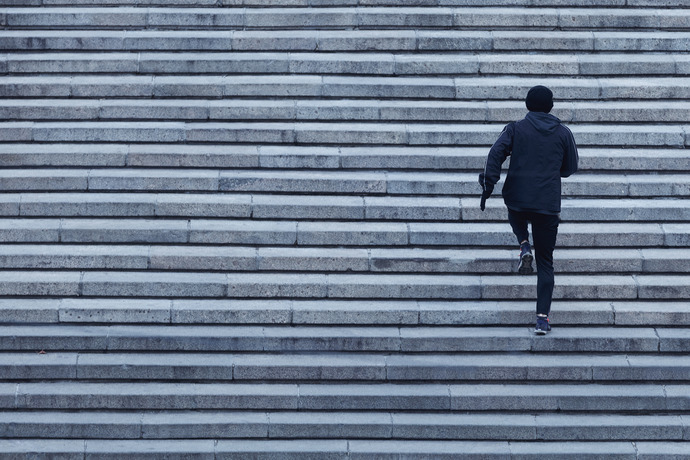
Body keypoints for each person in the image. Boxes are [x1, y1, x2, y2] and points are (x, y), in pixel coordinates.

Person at [479, 85, 579, 335]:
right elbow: (569, 168)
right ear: (551, 107)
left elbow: (495, 153)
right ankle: (542, 319)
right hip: (546, 203)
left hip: (518, 197)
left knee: (514, 208)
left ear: (527, 105)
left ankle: (523, 243)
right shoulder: (563, 133)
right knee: (546, 263)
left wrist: (490, 181)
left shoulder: (515, 129)